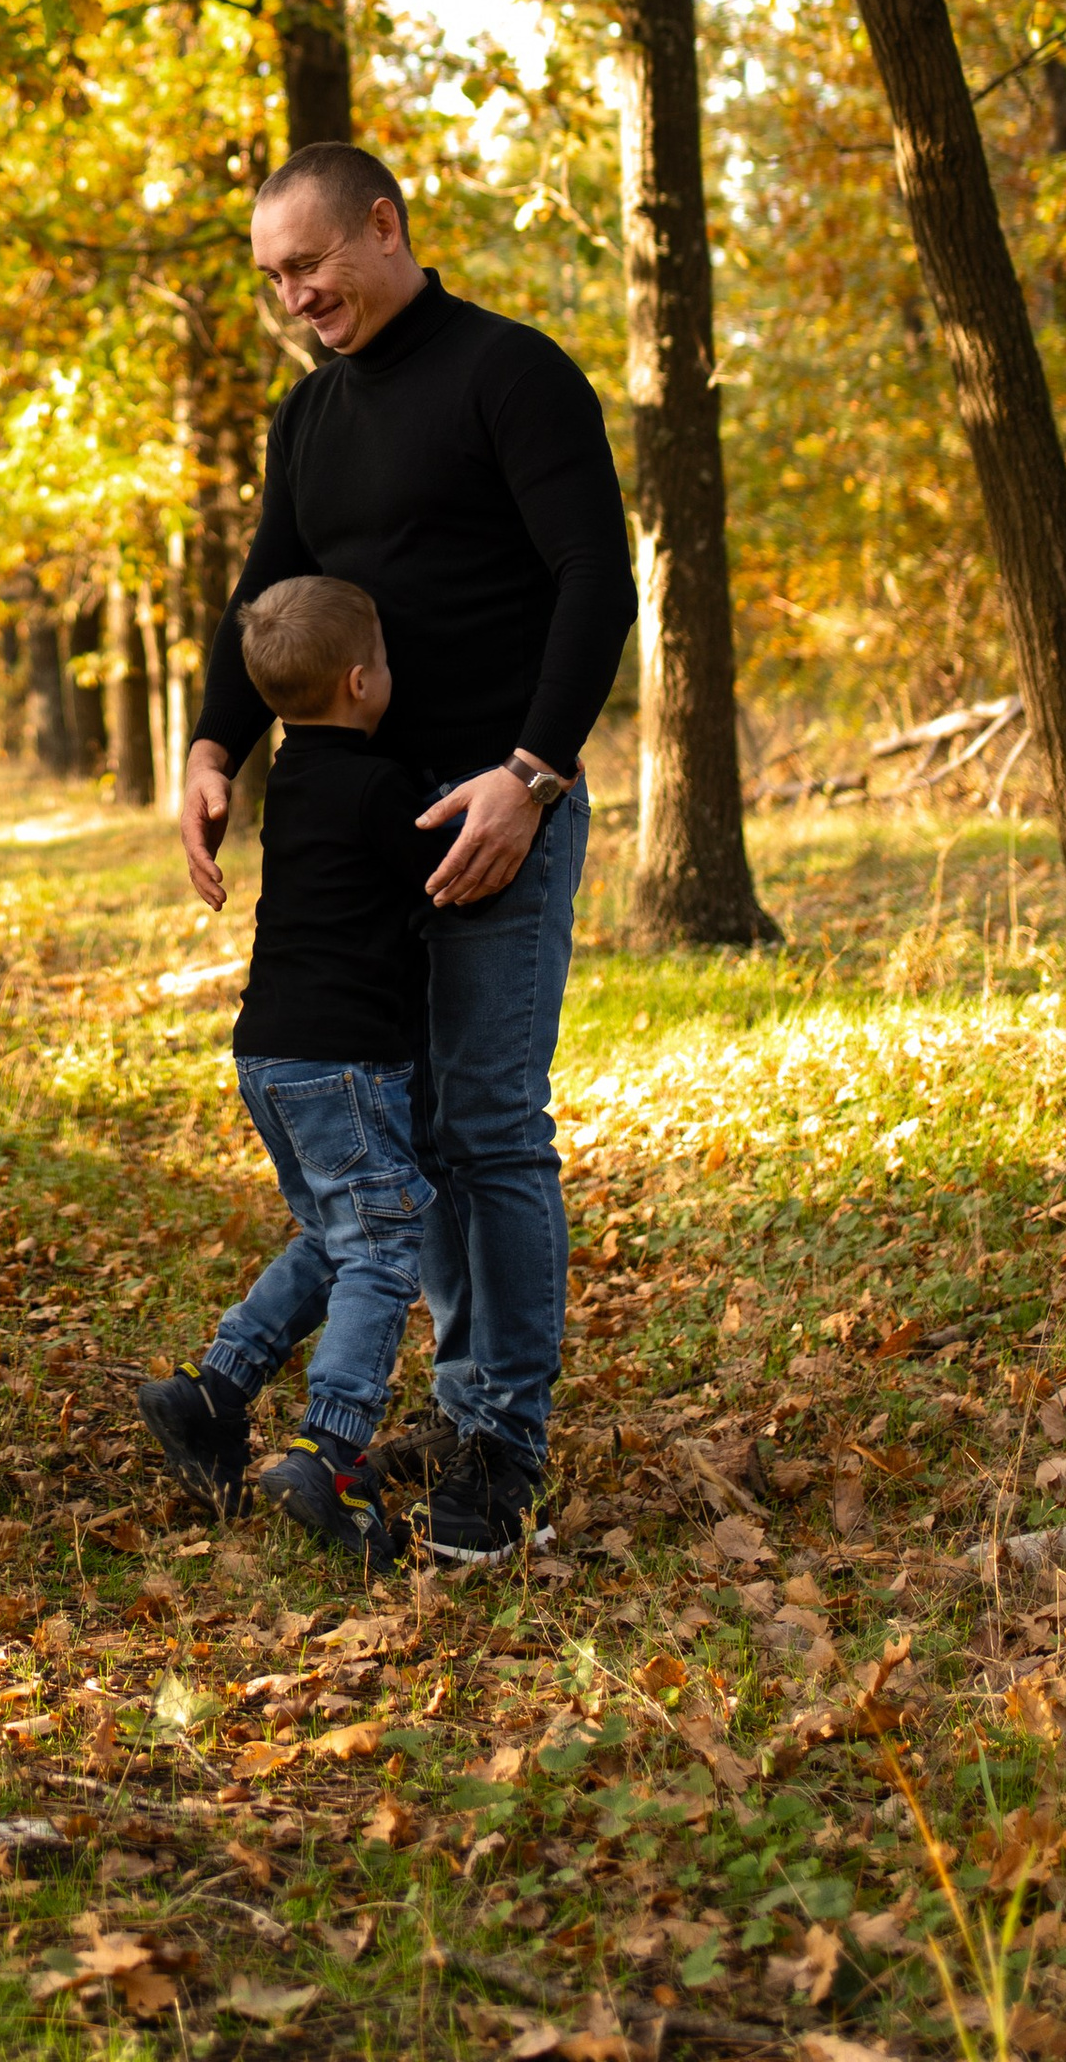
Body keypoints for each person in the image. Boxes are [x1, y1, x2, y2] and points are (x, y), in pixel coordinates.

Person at [184, 142, 637, 1568]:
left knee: (488, 1125)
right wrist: (212, 745)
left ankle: (496, 1441)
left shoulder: (513, 373)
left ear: (383, 228)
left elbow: (597, 581)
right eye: (273, 279)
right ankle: (450, 1405)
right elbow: (266, 587)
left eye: (310, 264)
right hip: (368, 836)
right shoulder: (311, 416)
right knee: (409, 1132)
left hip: (499, 805)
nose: (295, 297)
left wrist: (531, 773)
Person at [138, 574, 438, 1575]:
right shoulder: (384, 789)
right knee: (382, 1251)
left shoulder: (296, 778)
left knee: (332, 1229)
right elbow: (438, 880)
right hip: (345, 1059)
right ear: (361, 682)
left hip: (269, 1048)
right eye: (389, 660)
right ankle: (331, 1448)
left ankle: (213, 1390)